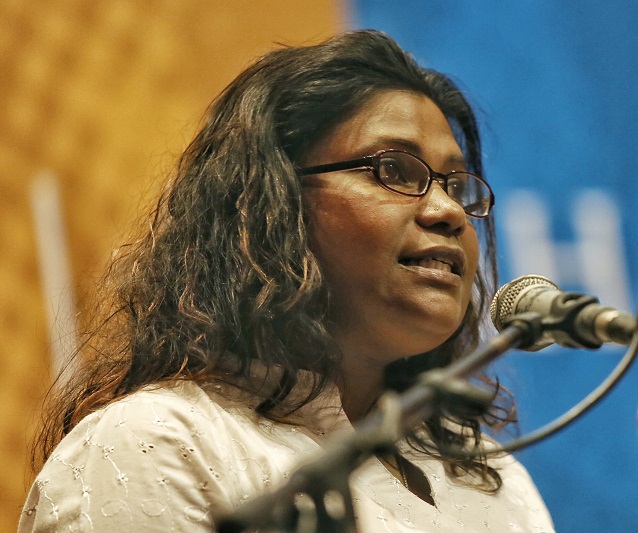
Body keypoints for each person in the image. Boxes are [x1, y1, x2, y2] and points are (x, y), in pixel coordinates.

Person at [19, 30, 555, 532]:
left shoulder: (492, 476)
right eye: (394, 170)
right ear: (271, 203)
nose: (448, 212)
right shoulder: (163, 443)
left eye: (456, 186)